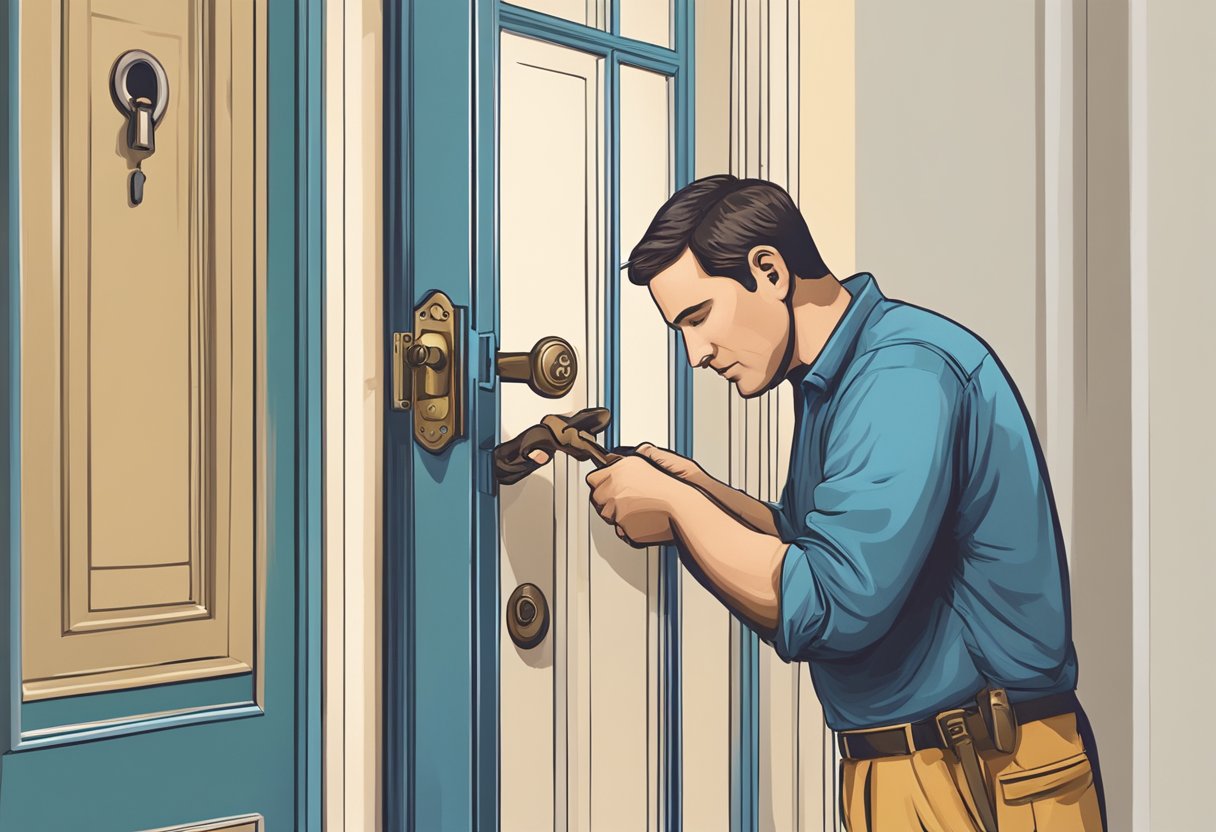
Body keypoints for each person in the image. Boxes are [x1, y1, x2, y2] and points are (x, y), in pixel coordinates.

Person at [567, 174, 1105, 830]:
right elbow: (812, 544)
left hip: (978, 774)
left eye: (698, 317)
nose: (696, 354)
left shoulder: (902, 376)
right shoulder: (839, 375)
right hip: (930, 766)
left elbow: (832, 604)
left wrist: (682, 511)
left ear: (769, 270)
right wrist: (698, 492)